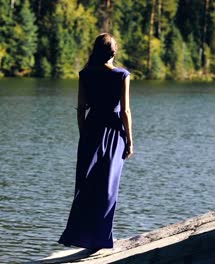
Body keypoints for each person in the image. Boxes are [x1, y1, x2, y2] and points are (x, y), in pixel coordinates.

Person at [58, 33, 134, 253]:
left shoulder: (85, 74)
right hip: (113, 131)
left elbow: (81, 109)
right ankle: (101, 238)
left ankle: (81, 236)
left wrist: (85, 134)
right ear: (114, 52)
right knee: (108, 186)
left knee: (87, 184)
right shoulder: (121, 75)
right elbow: (126, 111)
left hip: (92, 129)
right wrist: (130, 140)